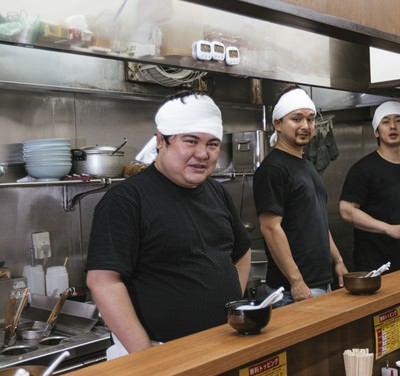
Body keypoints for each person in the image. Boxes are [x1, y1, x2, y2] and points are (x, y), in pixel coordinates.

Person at [86, 91, 251, 359]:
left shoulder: (216, 192)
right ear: (161, 141)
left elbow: (241, 254)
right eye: (191, 141)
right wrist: (146, 354)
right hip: (159, 352)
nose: (202, 154)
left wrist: (230, 304)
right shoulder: (126, 199)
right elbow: (103, 282)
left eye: (212, 144)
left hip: (220, 344)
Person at [253, 85, 348, 306]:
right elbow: (270, 227)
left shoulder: (306, 166)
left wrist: (338, 261)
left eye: (310, 119)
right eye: (296, 119)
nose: (305, 126)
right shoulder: (273, 169)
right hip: (292, 289)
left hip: (320, 281)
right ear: (278, 123)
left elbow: (318, 220)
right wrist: (296, 280)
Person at [339, 101, 400, 272]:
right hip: (377, 268)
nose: (393, 126)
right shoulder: (363, 169)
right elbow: (346, 210)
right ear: (376, 131)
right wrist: (388, 229)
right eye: (386, 122)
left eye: (398, 120)